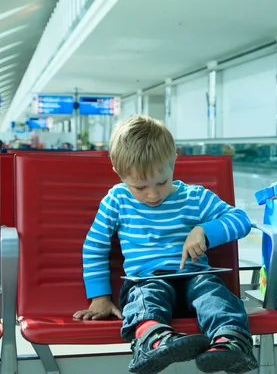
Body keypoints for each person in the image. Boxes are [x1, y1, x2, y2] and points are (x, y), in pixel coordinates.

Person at [73, 115, 258, 374]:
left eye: (161, 182)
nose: (153, 194)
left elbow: (241, 220)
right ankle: (153, 341)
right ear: (117, 169)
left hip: (195, 276)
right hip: (147, 279)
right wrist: (100, 297)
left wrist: (203, 231)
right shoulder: (117, 200)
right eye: (139, 186)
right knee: (144, 299)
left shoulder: (195, 197)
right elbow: (95, 246)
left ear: (173, 160)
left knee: (215, 295)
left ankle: (231, 343)